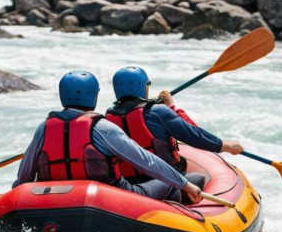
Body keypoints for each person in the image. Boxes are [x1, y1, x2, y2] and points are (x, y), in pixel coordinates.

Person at [12, 71, 202, 204]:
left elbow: (24, 177)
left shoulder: (43, 128)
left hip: (57, 199)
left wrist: (15, 199)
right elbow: (148, 162)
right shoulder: (102, 127)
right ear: (93, 97)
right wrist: (185, 184)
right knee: (168, 183)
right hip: (108, 200)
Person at [104, 66, 244, 189]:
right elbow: (193, 135)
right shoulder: (158, 111)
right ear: (143, 87)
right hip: (165, 179)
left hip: (129, 183)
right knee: (198, 179)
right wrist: (223, 145)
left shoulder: (109, 116)